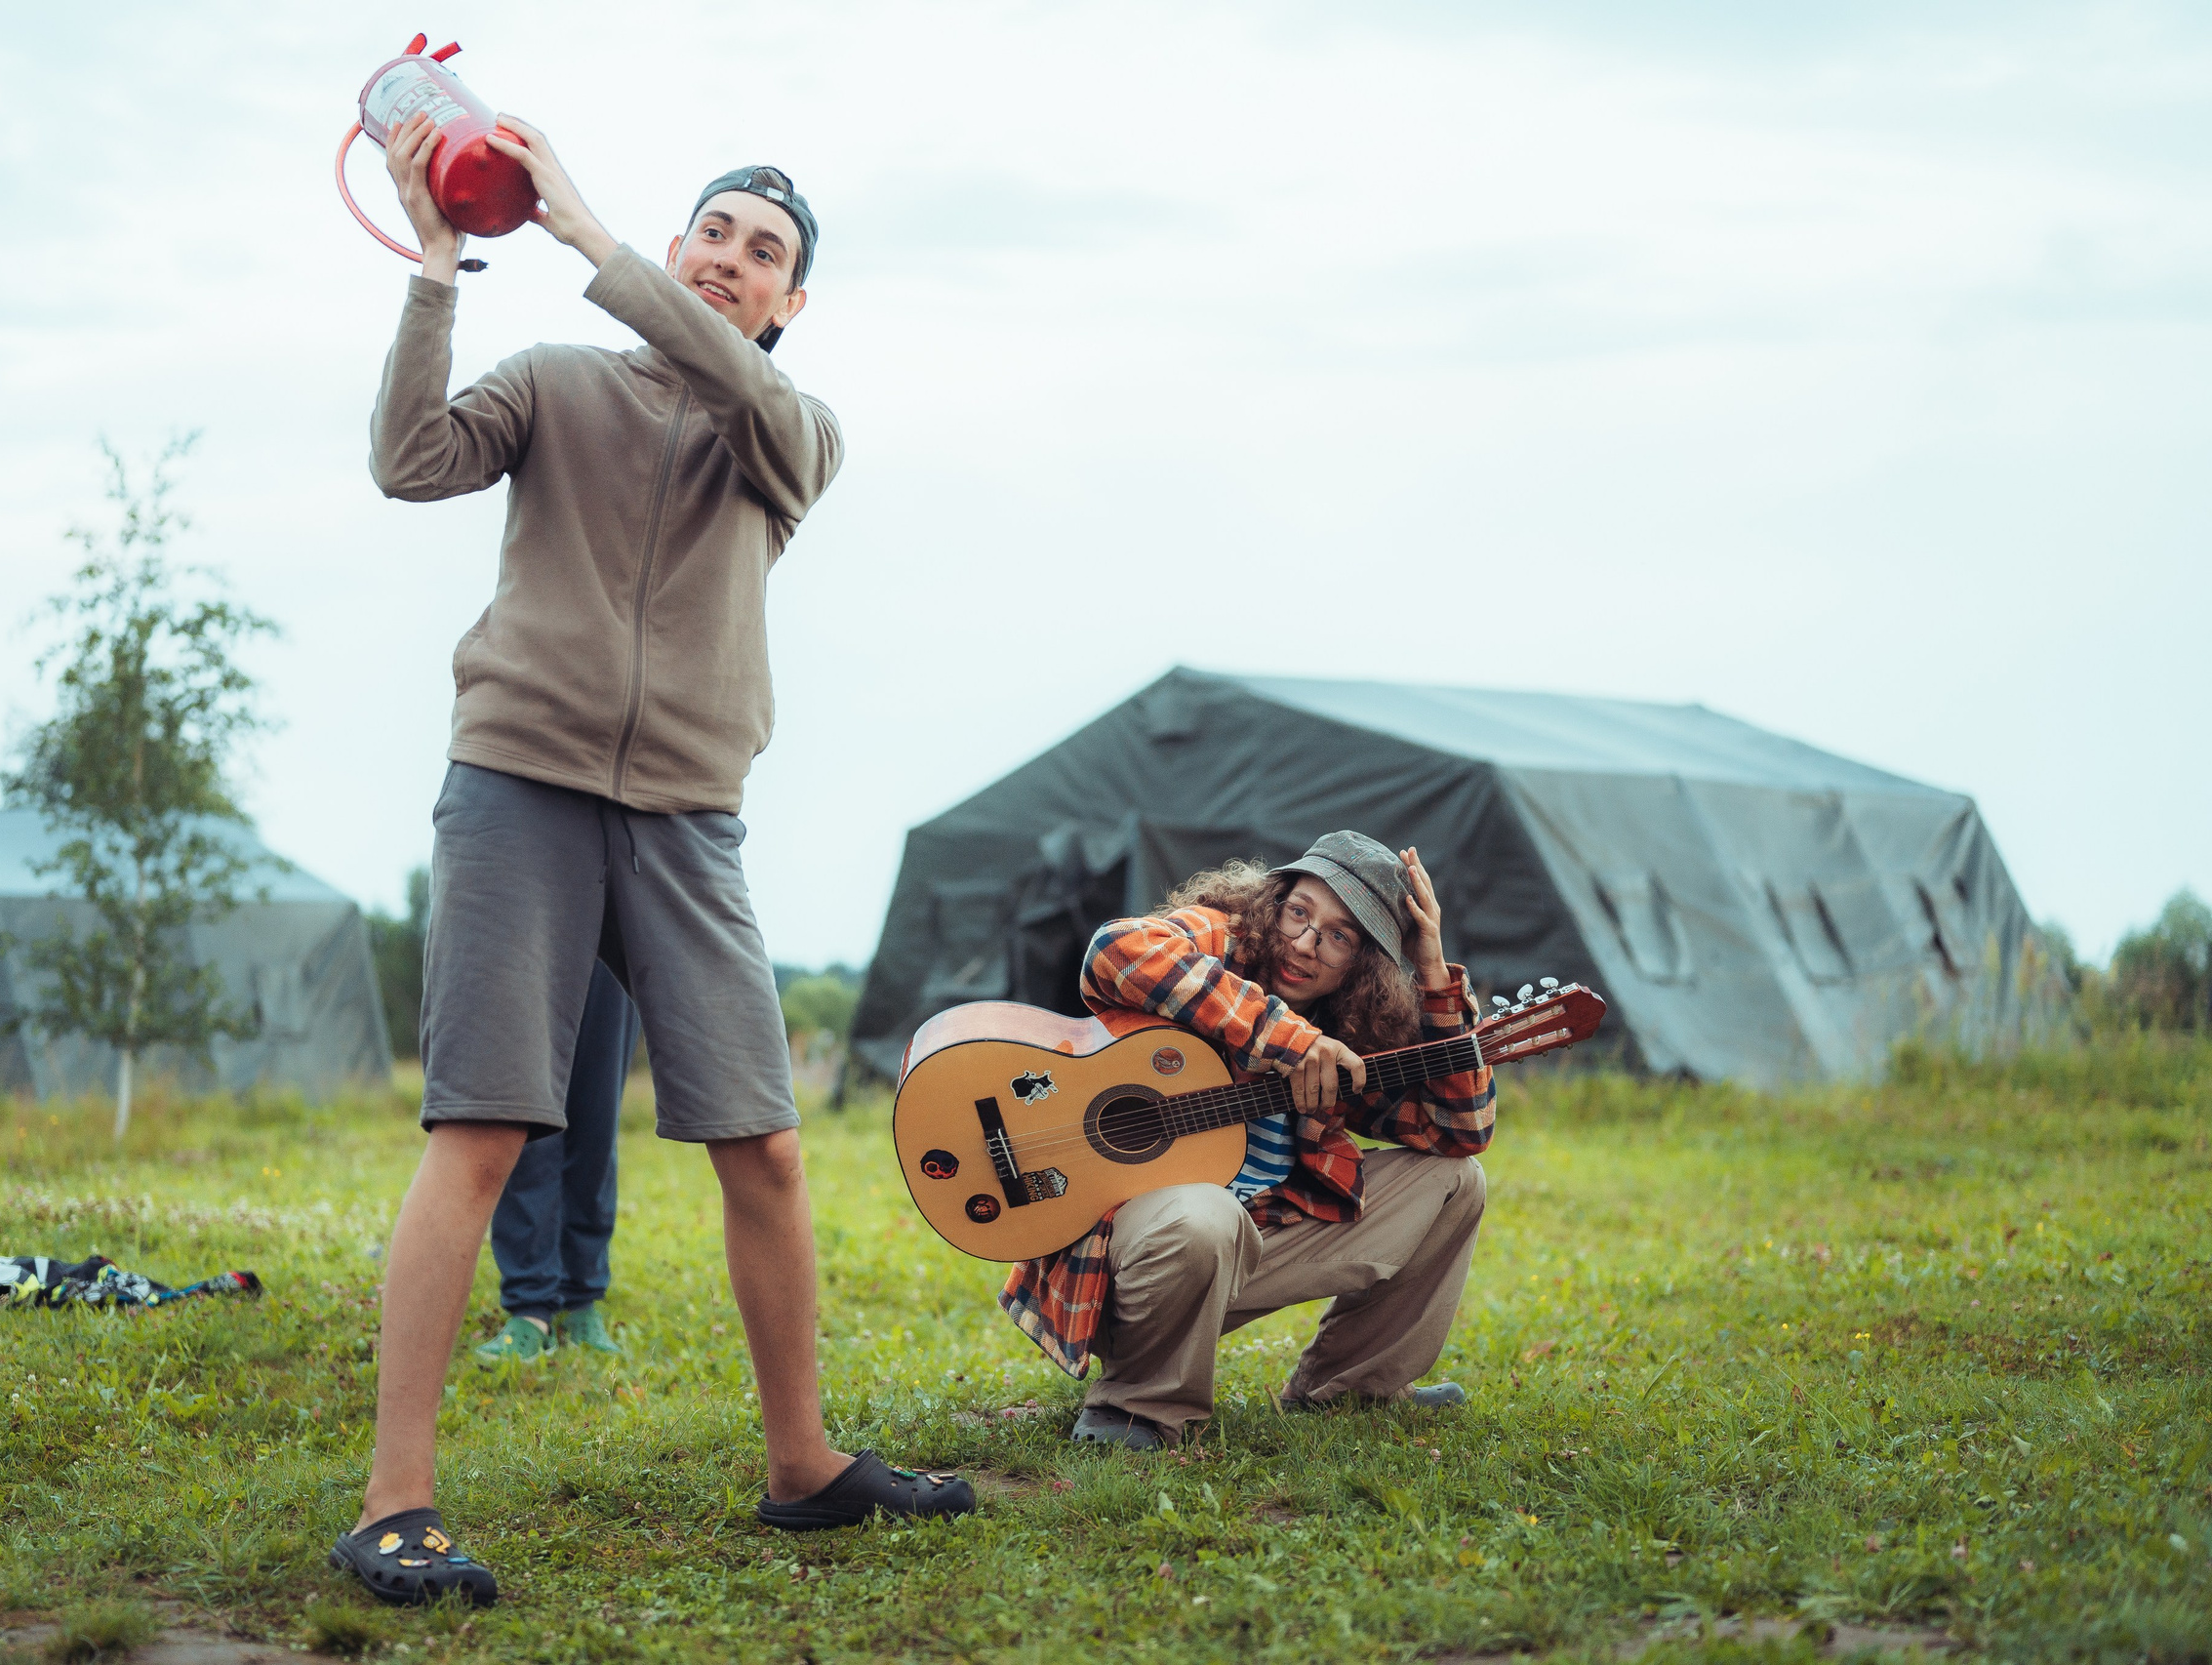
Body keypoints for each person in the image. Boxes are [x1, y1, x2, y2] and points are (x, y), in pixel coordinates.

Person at [329, 110, 972, 1611]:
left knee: (765, 1142)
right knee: (482, 1132)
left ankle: (803, 1464)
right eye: (720, 236)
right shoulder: (555, 382)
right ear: (688, 245)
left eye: (768, 256)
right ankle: (393, 1504)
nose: (736, 263)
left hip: (688, 813)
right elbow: (408, 462)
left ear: (790, 303)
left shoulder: (788, 430)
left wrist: (597, 240)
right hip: (519, 785)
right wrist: (438, 267)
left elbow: (739, 382)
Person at [999, 832, 1497, 1450]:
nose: (1305, 944)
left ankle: (1350, 1388)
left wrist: (1432, 973)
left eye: (1339, 936)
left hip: (1250, 1245)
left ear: (1365, 963)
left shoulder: (1352, 1026)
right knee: (1207, 1215)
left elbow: (1461, 1130)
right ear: (1275, 902)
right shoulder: (1221, 940)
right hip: (1126, 1267)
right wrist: (1285, 1037)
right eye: (1299, 913)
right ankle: (1136, 1408)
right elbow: (1114, 950)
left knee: (1454, 1184)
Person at [472, 960, 638, 1363]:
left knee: (597, 1125)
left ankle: (581, 1298)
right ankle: (530, 1307)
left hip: (612, 927)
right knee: (528, 1123)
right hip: (529, 924)